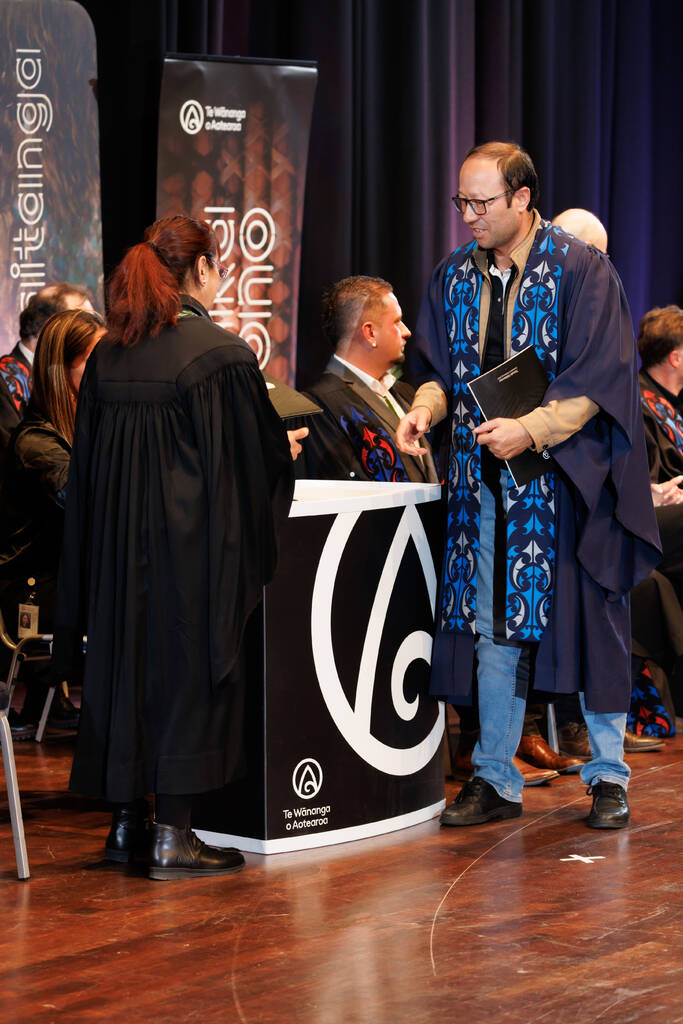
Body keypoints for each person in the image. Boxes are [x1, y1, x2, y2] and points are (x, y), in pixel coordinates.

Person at [396, 141, 660, 829]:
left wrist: (532, 430)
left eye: (480, 203)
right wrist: (423, 409)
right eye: (461, 202)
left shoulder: (581, 271)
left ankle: (607, 776)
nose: (467, 216)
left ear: (521, 198)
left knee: (594, 622)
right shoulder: (453, 274)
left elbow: (600, 378)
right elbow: (434, 366)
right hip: (483, 485)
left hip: (568, 481)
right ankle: (492, 774)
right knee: (492, 627)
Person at [53, 214, 295, 880]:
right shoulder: (220, 355)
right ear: (203, 271)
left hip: (115, 558)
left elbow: (88, 467)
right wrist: (280, 449)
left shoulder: (109, 353)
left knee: (127, 675)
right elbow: (252, 467)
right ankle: (173, 834)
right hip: (188, 561)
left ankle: (126, 823)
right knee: (189, 678)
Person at [0, 307, 105, 739]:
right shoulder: (38, 443)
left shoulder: (82, 428)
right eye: (96, 361)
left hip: (64, 584)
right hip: (31, 594)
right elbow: (90, 507)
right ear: (63, 370)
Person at [298, 276, 437, 483]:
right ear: (370, 332)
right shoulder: (317, 407)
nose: (407, 332)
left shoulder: (408, 395)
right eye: (397, 322)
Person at [0, 283, 94, 466]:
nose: (91, 331)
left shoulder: (74, 375)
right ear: (49, 328)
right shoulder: (5, 381)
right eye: (81, 323)